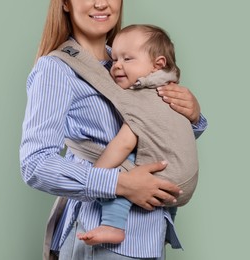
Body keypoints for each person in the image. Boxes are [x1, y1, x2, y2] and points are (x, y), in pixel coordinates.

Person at [19, 0, 208, 259]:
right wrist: (120, 184)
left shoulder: (134, 58)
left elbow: (155, 139)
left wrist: (193, 116)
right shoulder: (57, 69)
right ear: (64, 3)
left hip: (151, 234)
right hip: (100, 238)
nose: (101, 3)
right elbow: (35, 164)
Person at [76, 24, 199, 246]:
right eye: (114, 60)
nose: (117, 66)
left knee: (124, 166)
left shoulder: (141, 98)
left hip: (168, 179)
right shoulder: (170, 89)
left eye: (127, 59)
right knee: (153, 152)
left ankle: (113, 226)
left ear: (157, 65)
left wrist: (98, 175)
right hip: (183, 182)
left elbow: (123, 143)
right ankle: (165, 220)